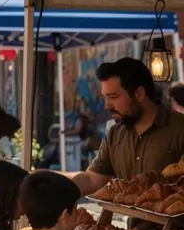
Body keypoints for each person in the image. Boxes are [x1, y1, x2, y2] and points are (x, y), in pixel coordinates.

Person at [74, 58, 184, 195]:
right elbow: (91, 179)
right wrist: (57, 189)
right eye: (105, 98)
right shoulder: (115, 135)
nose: (107, 105)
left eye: (113, 97)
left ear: (139, 94)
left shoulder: (179, 128)